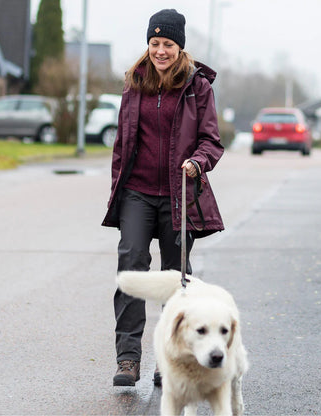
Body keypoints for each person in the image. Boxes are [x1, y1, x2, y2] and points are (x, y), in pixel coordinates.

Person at [102, 8, 225, 387]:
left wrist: (197, 162)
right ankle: (127, 359)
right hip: (137, 192)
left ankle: (168, 360)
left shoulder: (197, 86)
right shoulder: (133, 82)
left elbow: (211, 141)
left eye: (167, 44)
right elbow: (122, 144)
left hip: (179, 195)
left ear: (179, 47)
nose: (160, 50)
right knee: (132, 269)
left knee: (176, 281)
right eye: (154, 43)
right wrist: (117, 193)